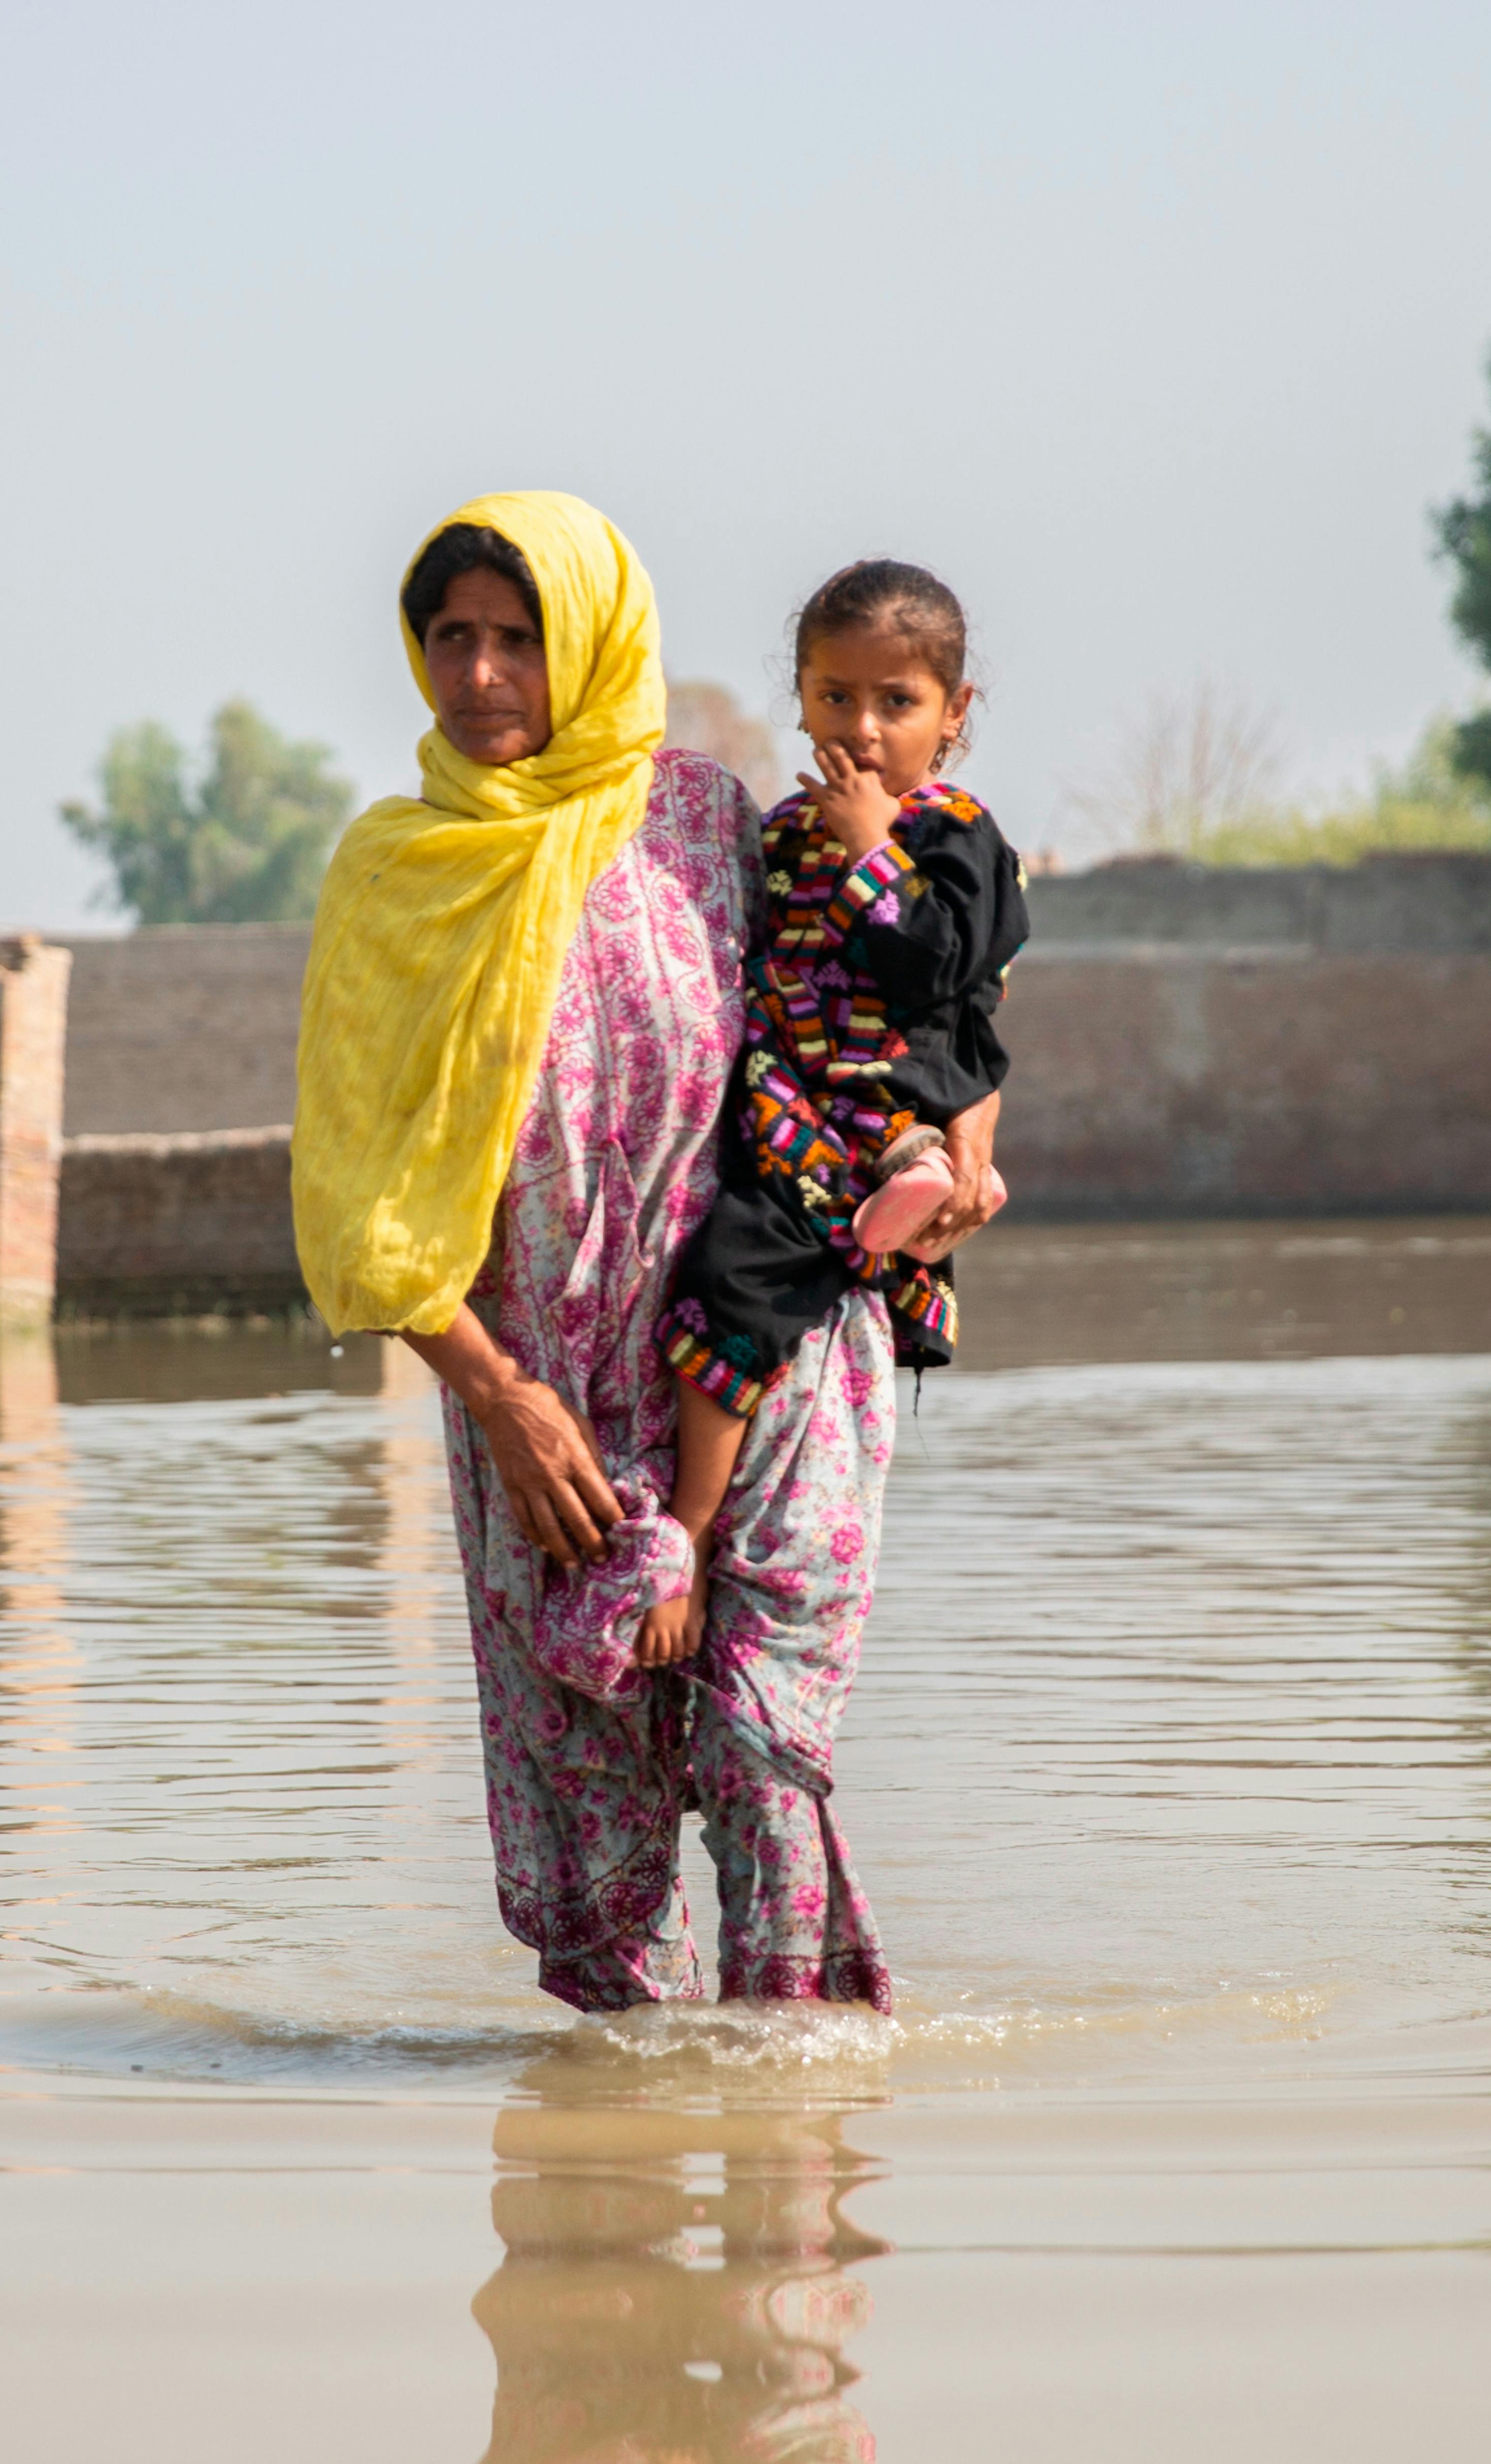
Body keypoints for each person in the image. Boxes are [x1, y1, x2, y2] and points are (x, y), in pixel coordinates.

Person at [289, 492, 997, 2015]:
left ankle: (796, 2150)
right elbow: (362, 1196)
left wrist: (960, 1159)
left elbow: (899, 1008)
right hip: (537, 1406)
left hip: (760, 1349)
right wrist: (498, 1396)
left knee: (761, 1744)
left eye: (520, 638)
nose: (481, 675)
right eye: (451, 638)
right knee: (597, 1860)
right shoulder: (400, 874)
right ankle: (604, 2201)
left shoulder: (706, 823)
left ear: (595, 645)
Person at [646, 561, 1026, 1669]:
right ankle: (891, 1203)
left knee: (731, 1291)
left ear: (954, 714)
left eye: (897, 702)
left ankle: (691, 1528)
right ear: (801, 696)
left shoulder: (957, 836)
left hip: (876, 1112)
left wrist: (874, 847)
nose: (862, 728)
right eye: (834, 697)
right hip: (786, 1117)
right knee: (714, 1286)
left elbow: (943, 977)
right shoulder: (774, 835)